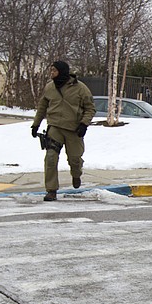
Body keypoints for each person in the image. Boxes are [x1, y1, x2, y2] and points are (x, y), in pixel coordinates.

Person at [30, 61, 95, 201]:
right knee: (51, 158)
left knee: (75, 159)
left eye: (54, 70)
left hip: (74, 129)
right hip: (55, 128)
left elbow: (90, 108)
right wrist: (36, 124)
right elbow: (42, 107)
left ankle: (76, 174)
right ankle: (51, 190)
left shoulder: (80, 88)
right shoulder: (49, 88)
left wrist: (84, 124)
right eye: (51, 70)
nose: (51, 73)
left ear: (62, 71)